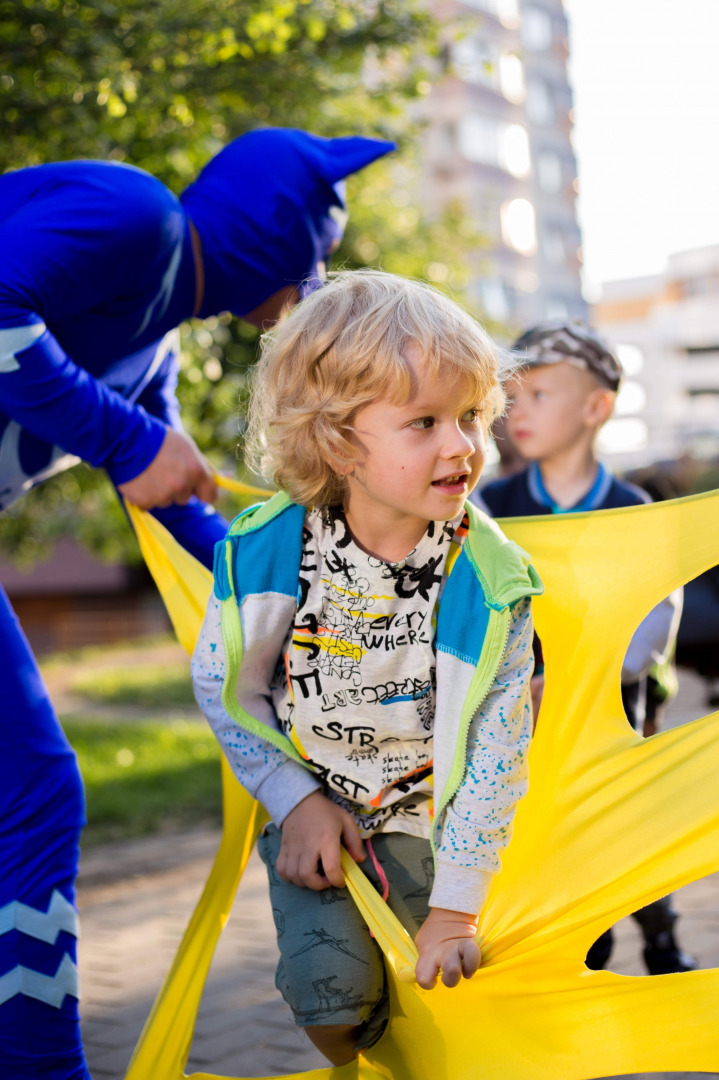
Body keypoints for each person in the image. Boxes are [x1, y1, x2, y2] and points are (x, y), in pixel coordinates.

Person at [0, 128, 393, 1080]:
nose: (315, 283)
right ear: (272, 233)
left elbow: (183, 511)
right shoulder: (135, 215)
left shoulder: (155, 353)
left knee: (29, 793)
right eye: (314, 254)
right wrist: (124, 439)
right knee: (34, 792)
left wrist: (308, 603)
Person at [191, 270, 543, 1065]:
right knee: (332, 1013)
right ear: (336, 439)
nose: (461, 444)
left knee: (447, 1007)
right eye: (423, 422)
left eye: (470, 417)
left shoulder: (489, 579)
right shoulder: (271, 551)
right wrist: (295, 798)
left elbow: (495, 746)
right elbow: (223, 684)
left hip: (434, 827)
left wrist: (456, 908)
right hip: (319, 825)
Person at [475, 319, 695, 977]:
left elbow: (658, 609)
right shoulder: (493, 507)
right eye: (513, 395)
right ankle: (579, 960)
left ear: (595, 407)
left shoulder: (630, 507)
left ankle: (660, 938)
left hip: (611, 714)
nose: (519, 409)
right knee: (553, 843)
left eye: (540, 394)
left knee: (629, 836)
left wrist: (591, 674)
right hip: (523, 721)